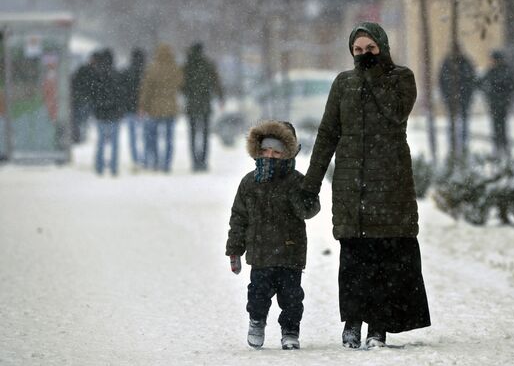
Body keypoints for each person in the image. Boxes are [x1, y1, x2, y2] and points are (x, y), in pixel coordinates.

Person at [300, 21, 431, 349]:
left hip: (389, 186)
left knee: (383, 259)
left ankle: (378, 326)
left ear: (382, 48)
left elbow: (396, 113)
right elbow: (328, 134)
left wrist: (374, 71)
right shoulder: (343, 83)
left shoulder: (401, 78)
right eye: (358, 51)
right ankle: (352, 322)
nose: (363, 56)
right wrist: (311, 183)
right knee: (353, 259)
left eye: (370, 49)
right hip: (350, 186)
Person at [225, 120, 320, 350]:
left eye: (277, 152)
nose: (270, 156)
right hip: (260, 253)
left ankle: (290, 330)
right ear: (257, 151)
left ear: (288, 154)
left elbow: (311, 209)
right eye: (266, 151)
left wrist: (298, 196)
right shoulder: (249, 183)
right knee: (257, 295)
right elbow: (239, 217)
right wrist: (235, 250)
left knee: (292, 299)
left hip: (290, 251)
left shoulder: (297, 181)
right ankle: (256, 321)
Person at [139, 43, 182, 172]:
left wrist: (142, 105)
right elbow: (181, 83)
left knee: (154, 137)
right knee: (169, 138)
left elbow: (146, 89)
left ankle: (156, 161)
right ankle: (167, 164)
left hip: (154, 108)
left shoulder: (153, 68)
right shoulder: (175, 68)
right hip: (171, 108)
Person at [182, 42, 224, 172]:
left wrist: (188, 92)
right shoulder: (208, 64)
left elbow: (181, 85)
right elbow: (216, 81)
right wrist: (221, 97)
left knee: (193, 134)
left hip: (192, 104)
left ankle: (195, 161)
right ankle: (204, 161)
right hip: (205, 103)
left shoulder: (187, 65)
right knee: (205, 133)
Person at [438, 47, 477, 158]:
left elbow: (471, 81)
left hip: (462, 98)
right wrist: (447, 96)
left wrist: (467, 95)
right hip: (452, 99)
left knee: (462, 122)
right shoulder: (448, 64)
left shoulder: (464, 63)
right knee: (452, 123)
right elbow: (442, 82)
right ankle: (453, 145)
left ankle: (463, 145)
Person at [91, 49, 124, 176]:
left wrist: (97, 107)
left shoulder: (97, 75)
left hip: (100, 113)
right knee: (115, 143)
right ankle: (113, 168)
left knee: (100, 142)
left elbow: (93, 94)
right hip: (114, 114)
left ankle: (99, 167)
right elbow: (121, 94)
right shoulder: (117, 74)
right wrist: (119, 109)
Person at [479, 50, 514, 158]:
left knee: (500, 126)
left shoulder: (500, 71)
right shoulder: (496, 70)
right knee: (499, 126)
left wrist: (495, 94)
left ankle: (501, 147)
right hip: (497, 103)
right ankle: (500, 147)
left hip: (499, 103)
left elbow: (512, 85)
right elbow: (481, 83)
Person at [120, 48, 146, 169]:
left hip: (129, 109)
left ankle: (135, 158)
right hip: (144, 109)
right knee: (145, 135)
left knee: (133, 137)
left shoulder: (126, 72)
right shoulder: (145, 72)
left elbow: (123, 91)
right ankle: (145, 158)